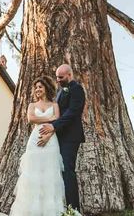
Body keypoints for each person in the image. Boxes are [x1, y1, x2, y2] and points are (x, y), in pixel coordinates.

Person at [2, 76, 67, 216]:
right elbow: (31, 119)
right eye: (36, 87)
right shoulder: (32, 105)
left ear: (46, 88)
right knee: (33, 173)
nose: (37, 89)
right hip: (35, 141)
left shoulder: (54, 105)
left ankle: (50, 210)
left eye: (40, 87)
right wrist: (50, 119)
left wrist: (49, 132)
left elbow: (58, 120)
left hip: (51, 140)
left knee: (50, 173)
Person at [38, 64, 85, 213]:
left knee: (67, 171)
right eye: (57, 77)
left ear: (69, 75)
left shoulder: (76, 89)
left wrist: (54, 126)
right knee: (58, 171)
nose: (57, 80)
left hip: (71, 137)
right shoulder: (59, 92)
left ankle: (74, 210)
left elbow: (72, 112)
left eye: (61, 77)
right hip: (58, 137)